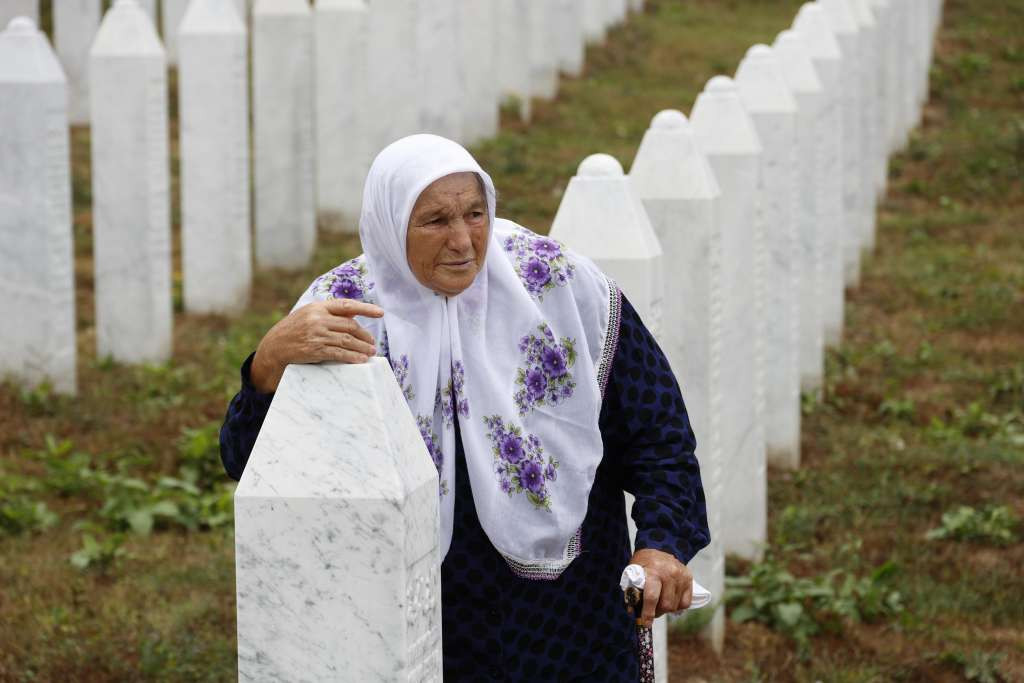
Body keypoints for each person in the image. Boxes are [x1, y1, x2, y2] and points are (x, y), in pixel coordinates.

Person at [220, 134, 709, 681]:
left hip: (567, 613)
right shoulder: (341, 310)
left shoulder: (561, 289)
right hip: (418, 612)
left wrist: (662, 544)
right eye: (434, 221)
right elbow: (251, 462)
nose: (463, 241)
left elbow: (658, 431)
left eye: (475, 213)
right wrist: (266, 365)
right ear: (389, 223)